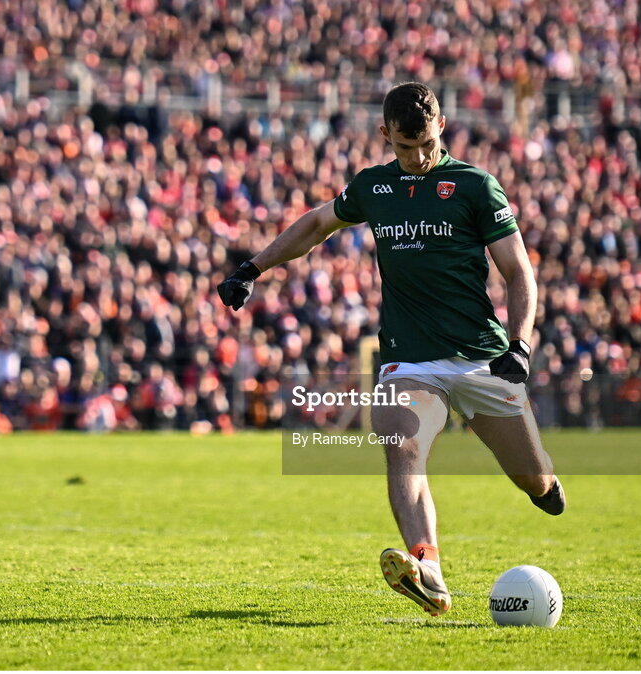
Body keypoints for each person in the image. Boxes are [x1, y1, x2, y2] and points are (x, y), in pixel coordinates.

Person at [218, 82, 565, 617]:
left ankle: (542, 483)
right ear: (385, 135)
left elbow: (519, 272)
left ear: (441, 126)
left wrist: (520, 343)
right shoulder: (373, 188)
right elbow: (315, 225)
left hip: (481, 356)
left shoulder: (476, 186)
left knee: (533, 479)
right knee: (401, 445)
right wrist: (252, 269)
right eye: (406, 147)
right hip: (409, 359)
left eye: (426, 143)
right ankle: (428, 569)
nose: (419, 156)